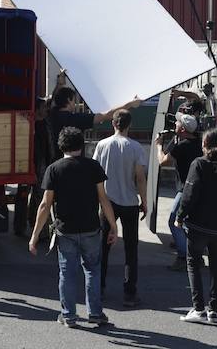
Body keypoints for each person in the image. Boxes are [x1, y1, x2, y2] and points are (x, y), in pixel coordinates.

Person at [30, 127, 116, 328]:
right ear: (82, 145)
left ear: (61, 145)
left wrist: (34, 236)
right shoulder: (93, 167)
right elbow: (103, 199)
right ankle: (95, 313)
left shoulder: (54, 169)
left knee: (67, 273)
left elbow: (45, 205)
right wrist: (113, 226)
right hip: (91, 228)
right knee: (92, 270)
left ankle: (68, 315)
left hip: (65, 229)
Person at [175, 128, 217, 324]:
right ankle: (213, 310)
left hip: (197, 224)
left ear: (204, 144)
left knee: (193, 263)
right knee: (215, 267)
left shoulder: (198, 164)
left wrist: (180, 216)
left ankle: (198, 308)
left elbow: (189, 194)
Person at [93, 109, 148, 307]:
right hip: (130, 202)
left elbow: (95, 173)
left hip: (107, 201)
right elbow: (140, 177)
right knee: (131, 248)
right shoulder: (135, 147)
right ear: (129, 125)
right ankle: (130, 292)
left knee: (103, 247)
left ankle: (99, 288)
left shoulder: (102, 145)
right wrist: (144, 200)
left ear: (113, 124)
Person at [48, 70, 142, 158]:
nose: (75, 104)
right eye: (73, 100)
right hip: (75, 163)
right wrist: (130, 104)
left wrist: (59, 84)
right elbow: (105, 115)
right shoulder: (75, 119)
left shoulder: (52, 115)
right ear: (69, 100)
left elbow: (53, 102)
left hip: (55, 160)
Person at [157, 112, 202, 271]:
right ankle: (196, 257)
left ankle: (184, 257)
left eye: (177, 123)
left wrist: (158, 145)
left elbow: (162, 161)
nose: (174, 124)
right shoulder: (197, 142)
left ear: (182, 129)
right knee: (189, 224)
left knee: (174, 221)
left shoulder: (182, 146)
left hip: (185, 190)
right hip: (197, 189)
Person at [14, 98, 55, 236]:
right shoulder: (27, 125)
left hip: (42, 165)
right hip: (27, 165)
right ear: (36, 110)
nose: (46, 110)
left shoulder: (45, 123)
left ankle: (38, 227)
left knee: (39, 197)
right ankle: (20, 227)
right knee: (23, 196)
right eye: (43, 107)